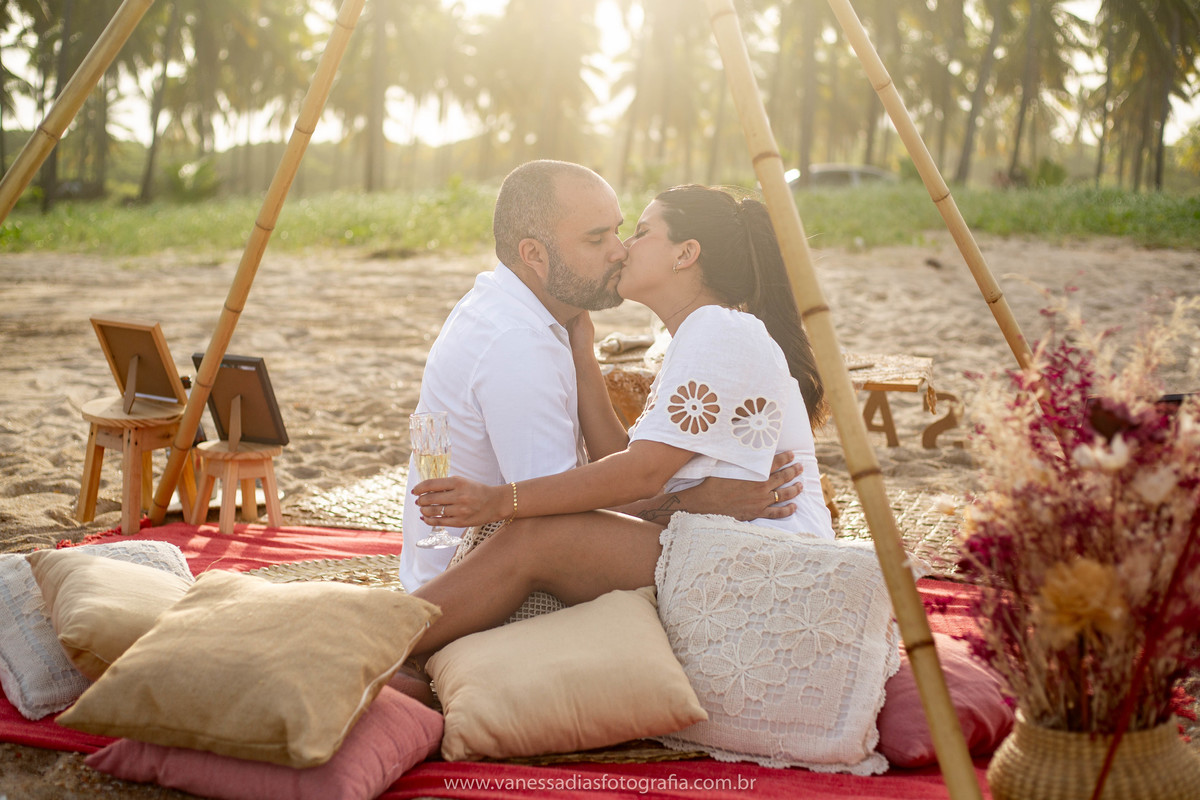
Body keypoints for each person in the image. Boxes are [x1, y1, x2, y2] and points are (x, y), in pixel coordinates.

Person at [409, 183, 832, 654]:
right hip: (729, 544)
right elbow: (629, 461)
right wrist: (584, 358)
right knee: (538, 534)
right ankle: (395, 637)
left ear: (685, 254)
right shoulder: (698, 334)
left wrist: (497, 501)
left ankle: (386, 637)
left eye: (641, 232)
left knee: (537, 537)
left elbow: (641, 474)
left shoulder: (719, 330)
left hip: (768, 561)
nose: (622, 248)